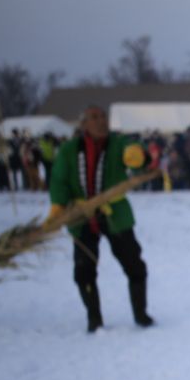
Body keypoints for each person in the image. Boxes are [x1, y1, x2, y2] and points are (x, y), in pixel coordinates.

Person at [47, 104, 153, 333]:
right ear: (84, 123)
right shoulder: (69, 150)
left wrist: (138, 155)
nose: (100, 121)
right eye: (94, 117)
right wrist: (58, 205)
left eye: (103, 116)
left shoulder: (118, 143)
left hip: (115, 215)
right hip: (81, 217)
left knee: (134, 264)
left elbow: (137, 151)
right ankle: (94, 318)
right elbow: (58, 180)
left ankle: (141, 314)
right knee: (83, 271)